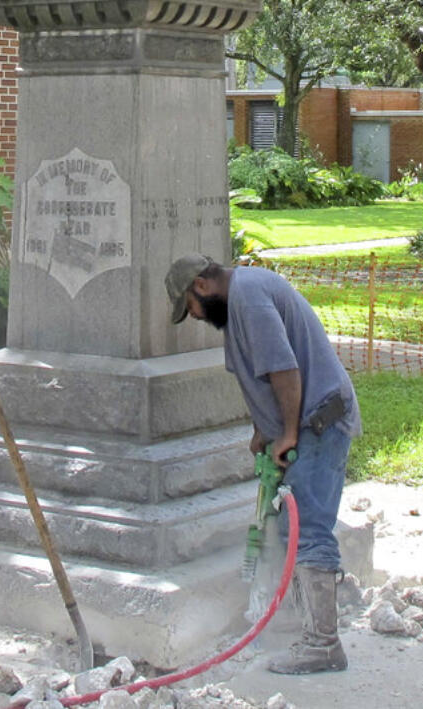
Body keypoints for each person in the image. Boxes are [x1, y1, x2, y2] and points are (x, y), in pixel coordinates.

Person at [164, 255, 362, 675]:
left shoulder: (249, 298)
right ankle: (304, 625)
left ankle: (324, 643)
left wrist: (287, 432)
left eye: (191, 308)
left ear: (201, 286)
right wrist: (263, 429)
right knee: (294, 528)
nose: (195, 318)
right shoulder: (238, 303)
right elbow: (258, 377)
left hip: (318, 421)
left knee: (308, 527)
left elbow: (284, 370)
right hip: (304, 422)